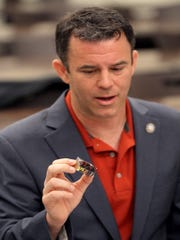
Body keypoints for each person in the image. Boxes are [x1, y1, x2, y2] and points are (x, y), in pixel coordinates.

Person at [0, 6, 180, 240]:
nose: (105, 82)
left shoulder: (172, 127)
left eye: (117, 68)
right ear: (62, 71)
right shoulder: (15, 146)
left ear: (134, 62)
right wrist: (51, 223)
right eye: (89, 70)